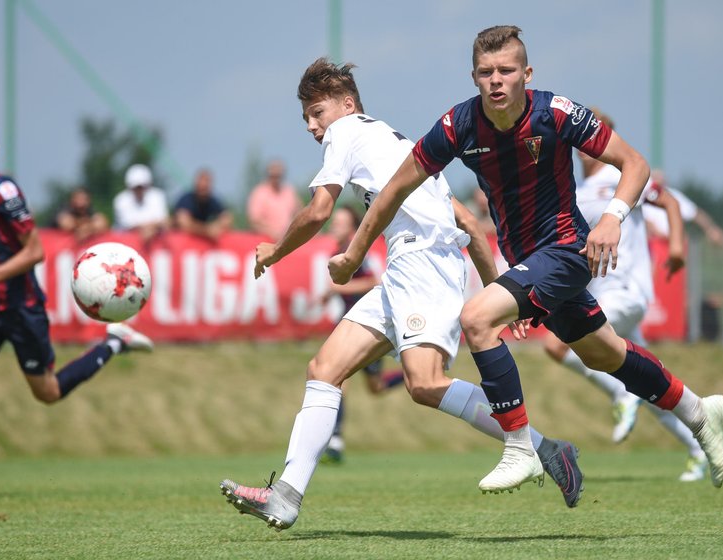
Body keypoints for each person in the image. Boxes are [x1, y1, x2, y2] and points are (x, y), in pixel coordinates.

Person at [328, 26, 723, 495]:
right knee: (605, 354)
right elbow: (395, 188)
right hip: (525, 259)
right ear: (474, 77)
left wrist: (613, 218)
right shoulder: (459, 126)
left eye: (506, 70)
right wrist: (356, 251)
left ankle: (520, 447)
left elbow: (635, 165)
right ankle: (700, 412)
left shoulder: (557, 113)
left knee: (477, 318)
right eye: (485, 72)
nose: (496, 80)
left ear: (526, 74)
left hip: (566, 249)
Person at [219, 58, 583, 531]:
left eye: (317, 112)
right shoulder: (400, 145)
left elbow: (318, 210)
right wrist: (499, 294)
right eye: (306, 118)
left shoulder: (345, 133)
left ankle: (546, 449)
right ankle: (285, 496)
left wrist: (274, 251)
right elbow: (470, 227)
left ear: (347, 105)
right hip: (407, 270)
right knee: (324, 369)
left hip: (424, 266)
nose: (312, 126)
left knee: (425, 383)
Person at [0, 116, 154, 495]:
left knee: (48, 393)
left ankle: (113, 342)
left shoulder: (5, 193)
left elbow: (35, 251)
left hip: (23, 307)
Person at [541, 107, 709, 482]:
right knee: (649, 382)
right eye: (579, 141)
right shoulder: (577, 190)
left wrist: (678, 245)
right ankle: (702, 445)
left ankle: (621, 396)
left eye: (594, 138)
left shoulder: (622, 176)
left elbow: (668, 201)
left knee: (558, 347)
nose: (585, 147)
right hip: (599, 295)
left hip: (627, 290)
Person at [318, 205, 405, 464]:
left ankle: (412, 373)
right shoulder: (338, 251)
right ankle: (334, 440)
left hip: (367, 325)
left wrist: (336, 289)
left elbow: (373, 282)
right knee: (340, 377)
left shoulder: (356, 253)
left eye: (341, 222)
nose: (335, 225)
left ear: (353, 228)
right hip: (348, 322)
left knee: (369, 386)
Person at [642, 175, 723, 247]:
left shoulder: (674, 195)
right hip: (656, 244)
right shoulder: (644, 198)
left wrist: (710, 229)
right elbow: (648, 224)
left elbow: (694, 213)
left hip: (675, 243)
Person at [246, 159, 303, 240]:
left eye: (279, 175)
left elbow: (300, 213)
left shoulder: (289, 191)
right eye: (273, 176)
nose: (276, 178)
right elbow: (254, 221)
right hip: (265, 240)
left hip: (288, 240)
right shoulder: (259, 193)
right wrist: (273, 233)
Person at [112, 163, 170, 243]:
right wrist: (152, 227)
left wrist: (149, 229)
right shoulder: (121, 200)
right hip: (126, 242)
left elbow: (164, 222)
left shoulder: (157, 196)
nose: (139, 190)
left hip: (154, 243)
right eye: (136, 187)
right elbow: (128, 225)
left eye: (142, 187)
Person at [173, 168, 233, 240]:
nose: (203, 186)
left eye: (206, 185)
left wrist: (217, 226)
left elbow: (227, 218)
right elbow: (183, 222)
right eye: (201, 184)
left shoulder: (213, 201)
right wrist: (207, 230)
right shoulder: (186, 199)